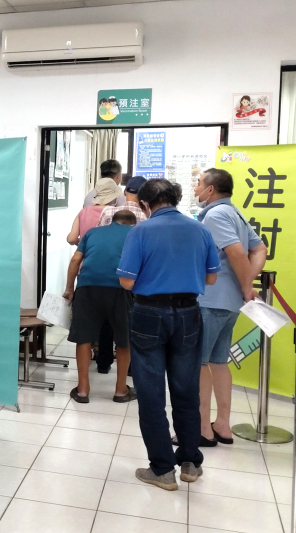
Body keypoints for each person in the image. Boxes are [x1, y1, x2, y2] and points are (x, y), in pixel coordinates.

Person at [117, 179, 220, 491]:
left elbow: (126, 282)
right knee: (187, 390)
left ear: (146, 205)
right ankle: (190, 462)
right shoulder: (200, 230)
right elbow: (211, 279)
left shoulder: (140, 231)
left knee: (150, 393)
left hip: (149, 314)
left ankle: (162, 469)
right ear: (176, 199)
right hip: (189, 313)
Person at [193, 169, 267, 446]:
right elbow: (259, 250)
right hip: (229, 302)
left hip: (211, 299)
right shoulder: (235, 213)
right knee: (219, 362)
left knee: (199, 363)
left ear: (210, 189)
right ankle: (222, 425)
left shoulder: (215, 215)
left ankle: (203, 428)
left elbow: (236, 252)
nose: (196, 188)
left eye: (198, 183)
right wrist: (244, 285)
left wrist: (247, 286)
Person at [64, 210, 138, 404]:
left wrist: (69, 289)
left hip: (87, 287)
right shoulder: (135, 233)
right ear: (132, 223)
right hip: (120, 288)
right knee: (123, 339)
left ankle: (82, 390)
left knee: (84, 338)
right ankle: (121, 390)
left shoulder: (92, 233)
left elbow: (75, 260)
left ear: (112, 221)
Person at [94, 175, 148, 374]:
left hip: (106, 273)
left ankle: (103, 362)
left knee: (106, 321)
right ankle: (131, 367)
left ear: (125, 192)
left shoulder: (109, 211)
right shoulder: (147, 218)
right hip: (133, 277)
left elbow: (100, 238)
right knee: (130, 322)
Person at [67, 177, 119, 245]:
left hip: (84, 251)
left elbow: (71, 239)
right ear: (113, 197)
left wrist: (82, 244)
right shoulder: (114, 213)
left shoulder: (84, 211)